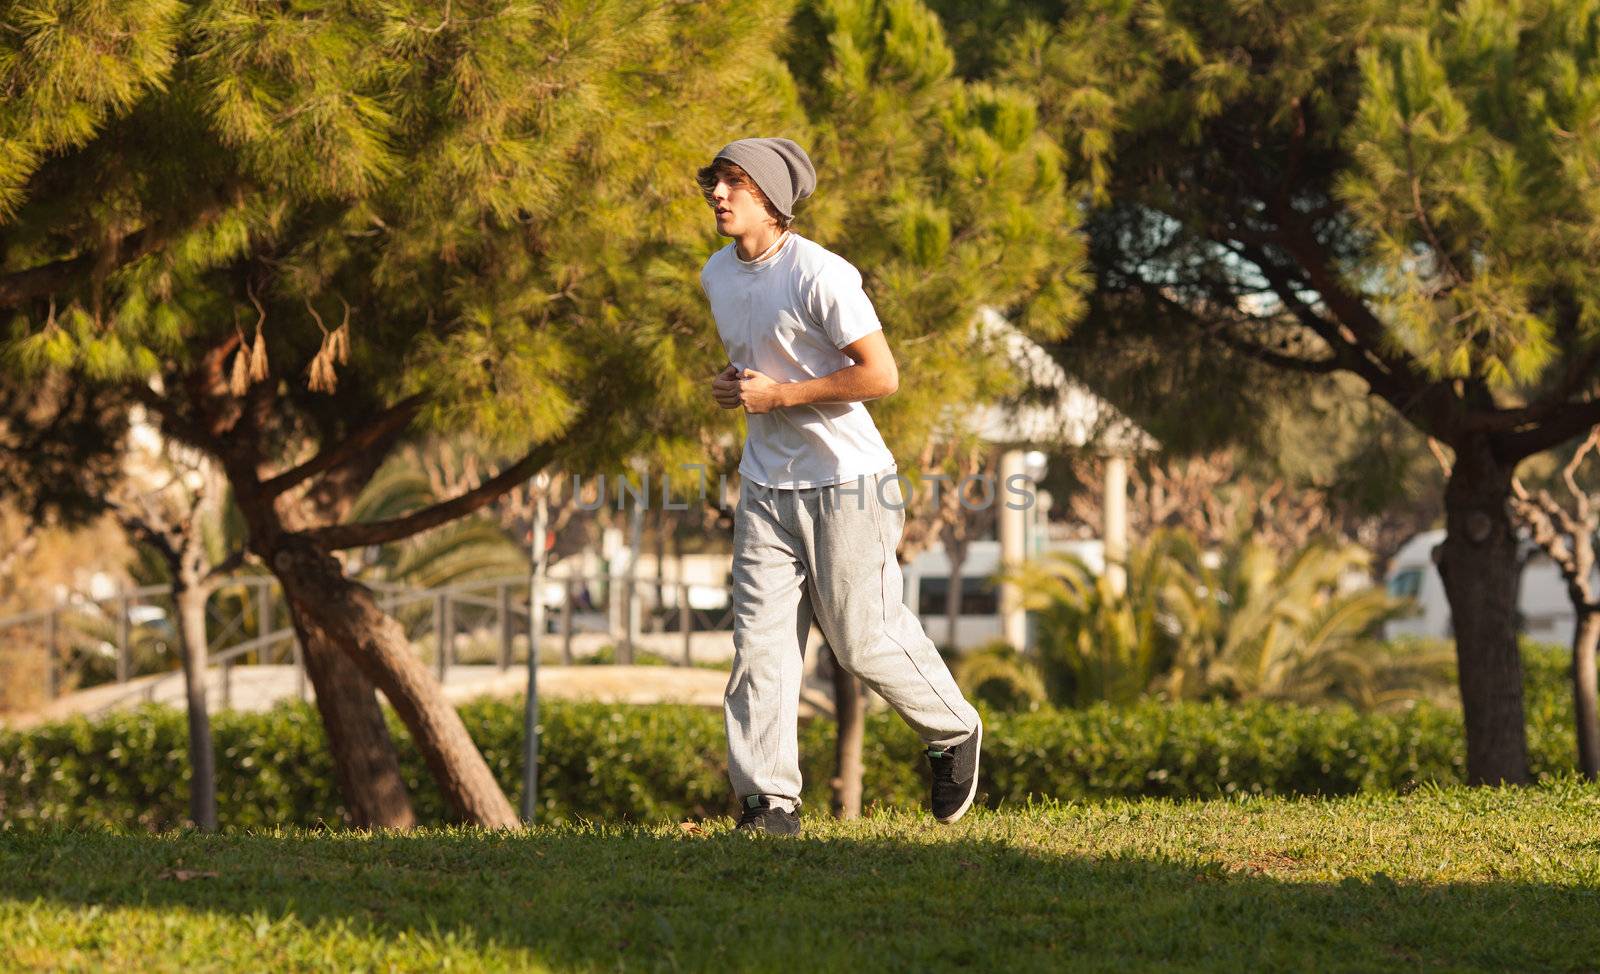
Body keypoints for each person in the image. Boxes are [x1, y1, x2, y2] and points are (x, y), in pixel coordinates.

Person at [696, 137, 982, 836]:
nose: (718, 194)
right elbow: (763, 366)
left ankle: (951, 729)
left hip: (848, 481)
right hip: (766, 483)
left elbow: (881, 376)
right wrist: (734, 388)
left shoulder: (821, 273)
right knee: (760, 644)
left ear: (772, 198)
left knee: (861, 639)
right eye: (715, 181)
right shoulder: (716, 274)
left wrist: (783, 397)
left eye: (735, 183)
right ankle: (770, 803)